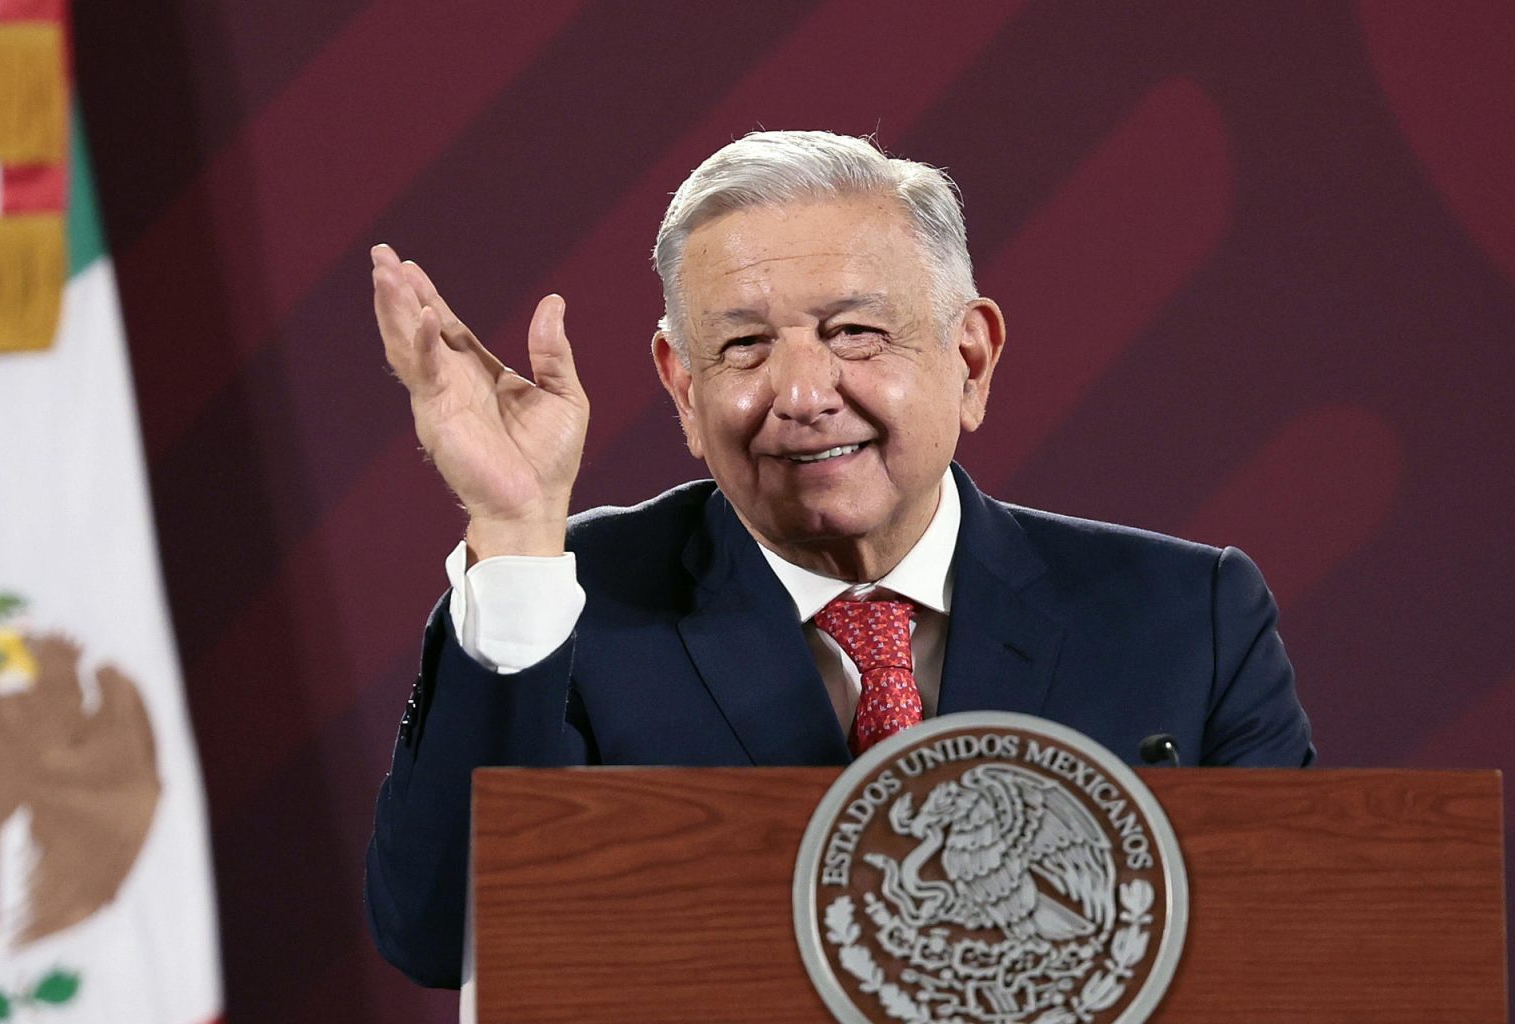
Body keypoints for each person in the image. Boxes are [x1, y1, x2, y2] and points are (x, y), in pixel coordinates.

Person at [364, 131, 1313, 989]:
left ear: (970, 359)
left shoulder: (1190, 619)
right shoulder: (567, 608)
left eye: (854, 332)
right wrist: (517, 527)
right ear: (683, 389)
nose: (804, 393)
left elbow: (1295, 958)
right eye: (744, 347)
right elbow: (445, 935)